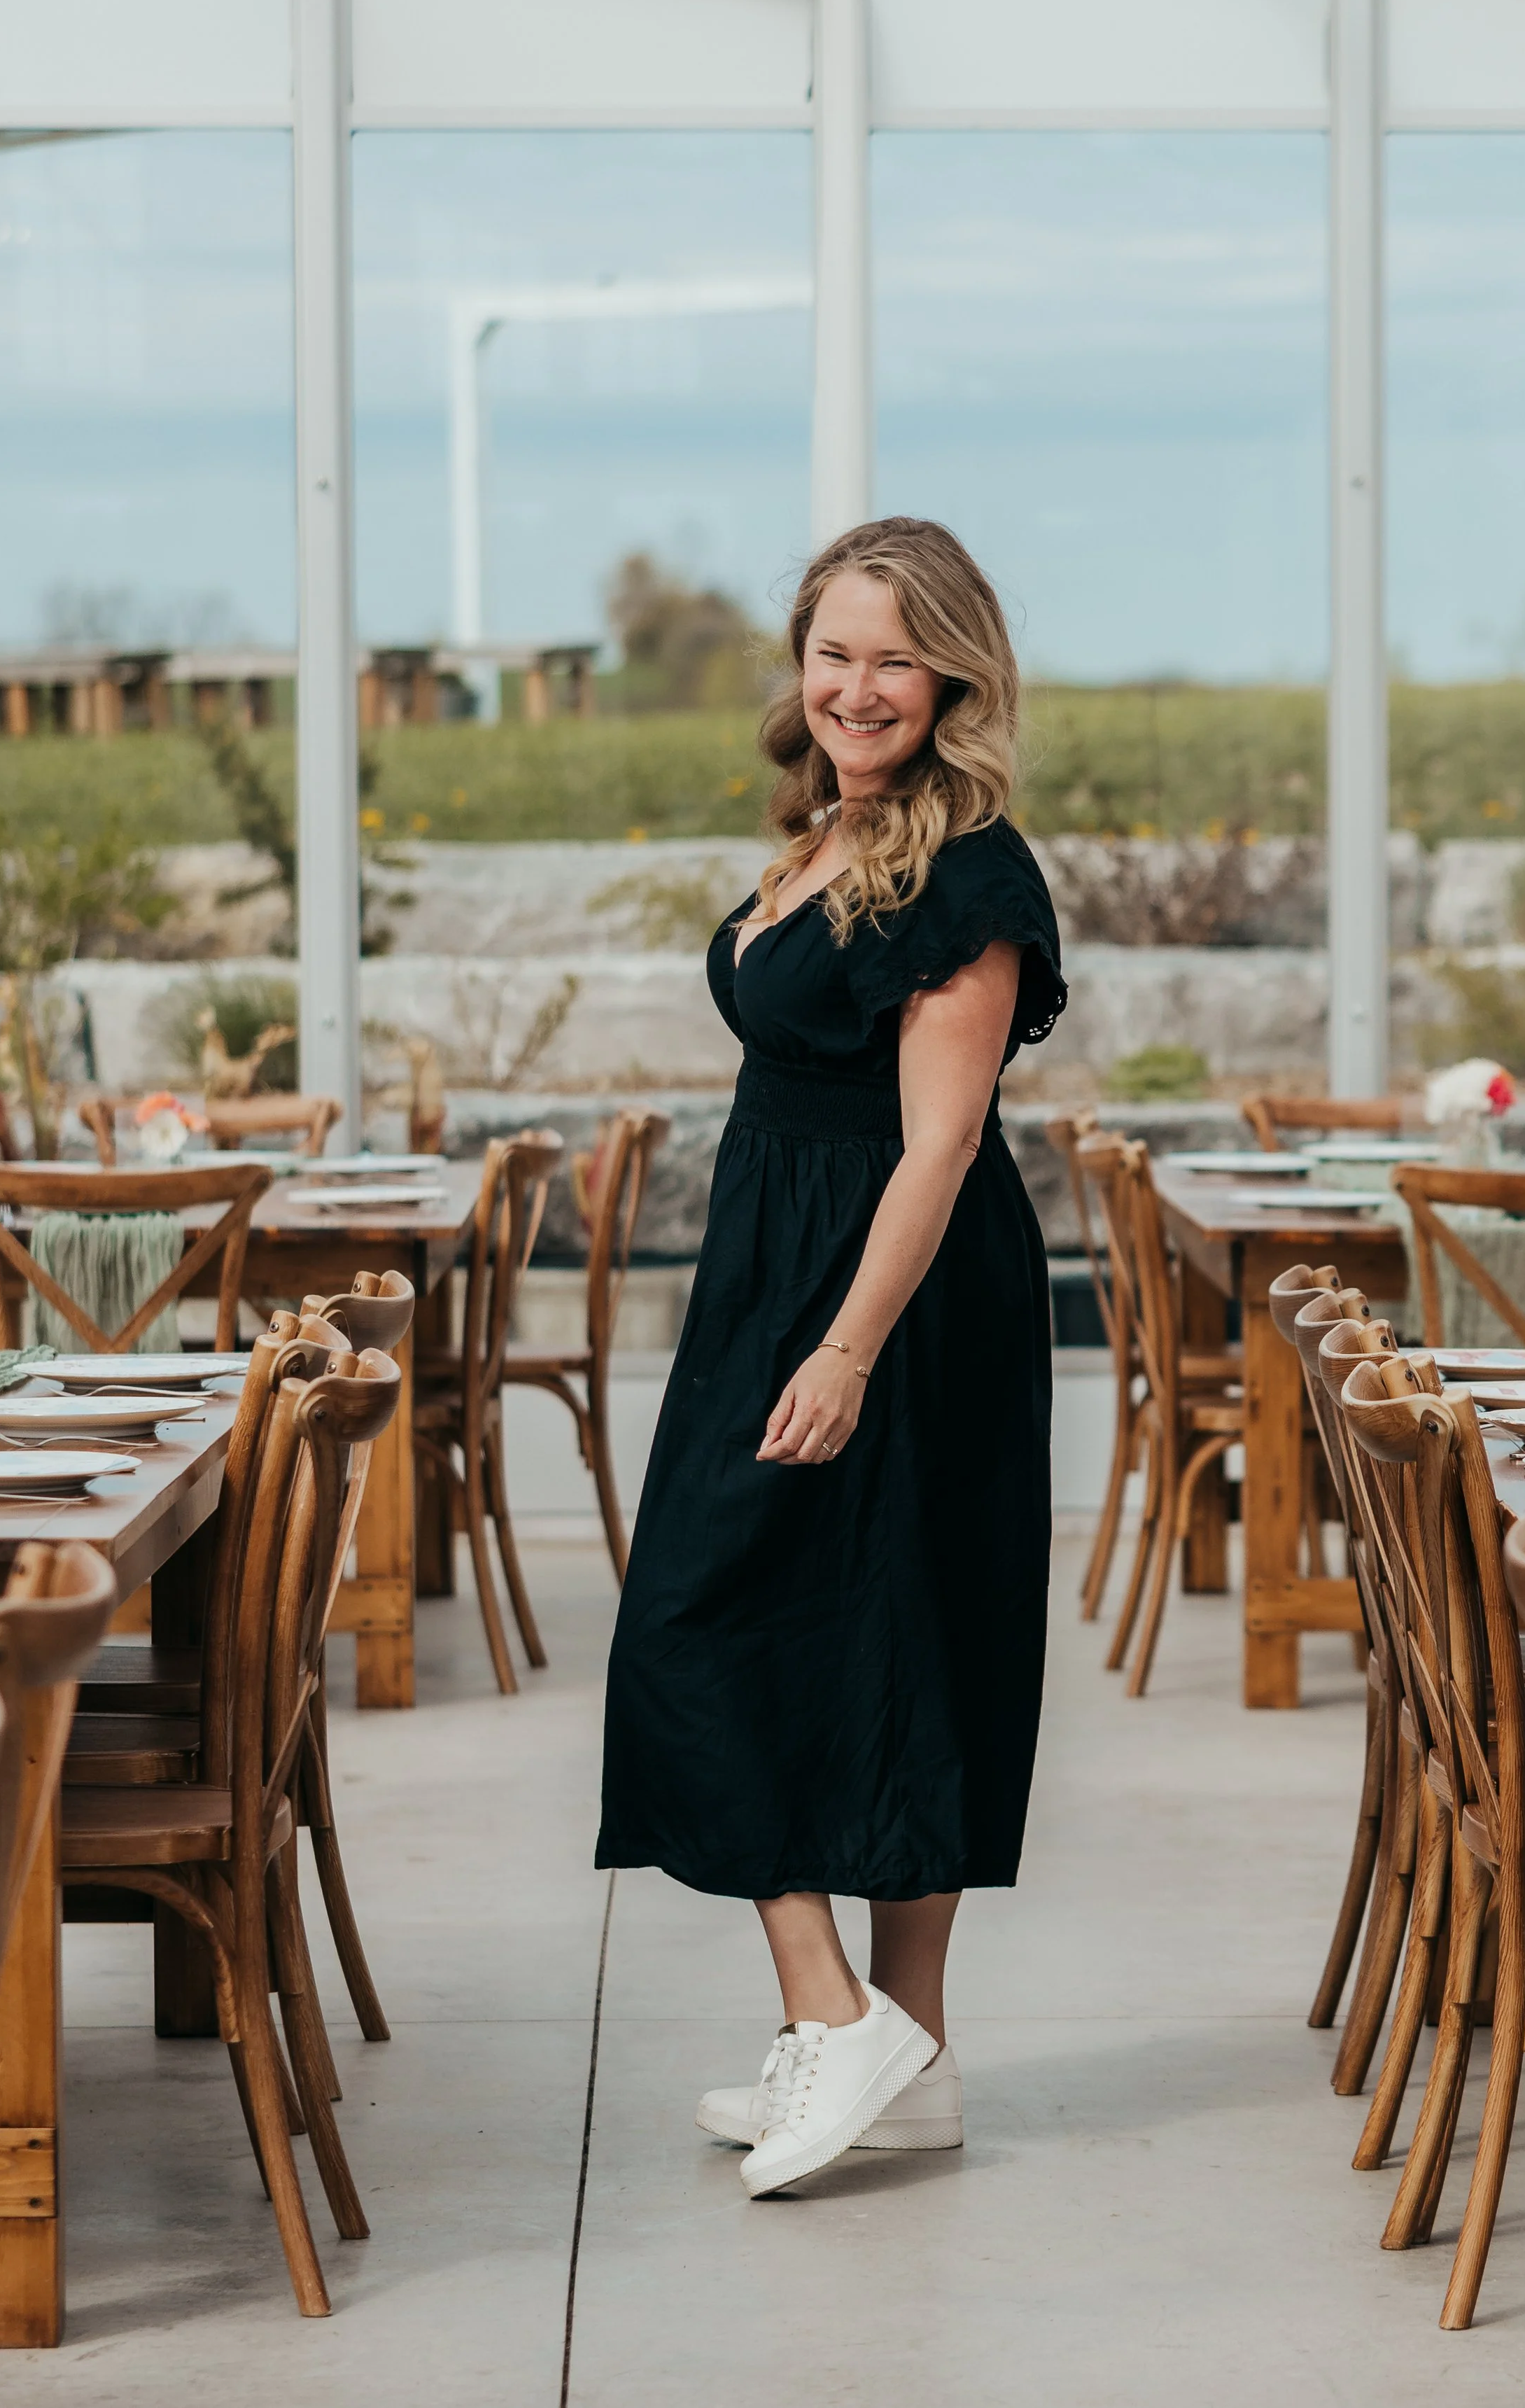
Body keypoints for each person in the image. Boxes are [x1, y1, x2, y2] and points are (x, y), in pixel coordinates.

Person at [596, 514, 1066, 2197]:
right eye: (832, 650)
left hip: (892, 1287)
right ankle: (901, 2057)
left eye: (890, 654)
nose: (856, 684)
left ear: (950, 672)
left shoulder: (969, 874)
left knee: (741, 1625)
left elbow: (936, 1145)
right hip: (776, 1263)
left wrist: (848, 1348)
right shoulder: (827, 830)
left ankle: (842, 2009)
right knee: (816, 1629)